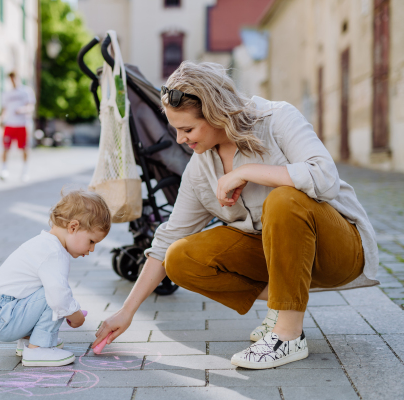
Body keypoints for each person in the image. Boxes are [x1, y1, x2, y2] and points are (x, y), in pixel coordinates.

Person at [93, 62, 379, 370]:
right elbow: (167, 240)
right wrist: (126, 312)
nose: (179, 140)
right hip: (279, 260)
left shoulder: (277, 117)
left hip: (338, 250)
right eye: (176, 130)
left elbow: (325, 178)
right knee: (180, 257)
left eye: (187, 129)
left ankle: (288, 335)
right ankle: (283, 303)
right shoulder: (200, 168)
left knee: (283, 199)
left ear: (217, 114)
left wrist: (249, 171)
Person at [0, 189, 111, 366]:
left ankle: (28, 341)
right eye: (91, 241)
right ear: (73, 227)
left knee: (50, 291)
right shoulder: (54, 253)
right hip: (5, 317)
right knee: (56, 294)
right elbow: (58, 298)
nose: (92, 249)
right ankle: (38, 349)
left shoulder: (45, 244)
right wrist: (75, 314)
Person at [0, 72, 36, 181]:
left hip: (22, 124)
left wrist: (23, 110)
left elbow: (31, 106)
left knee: (24, 148)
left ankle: (25, 170)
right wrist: (0, 121)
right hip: (10, 124)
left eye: (14, 78)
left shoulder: (26, 91)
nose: (13, 80)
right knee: (6, 147)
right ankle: (4, 169)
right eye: (11, 79)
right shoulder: (6, 93)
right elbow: (4, 109)